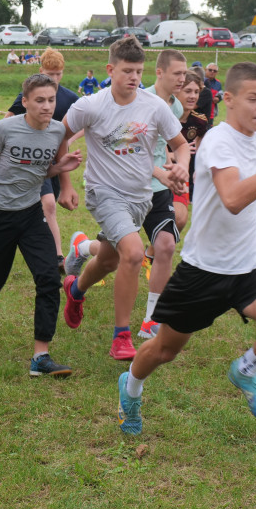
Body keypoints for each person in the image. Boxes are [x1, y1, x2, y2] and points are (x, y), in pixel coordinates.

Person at [116, 62, 256, 435]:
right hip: (203, 270)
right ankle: (130, 389)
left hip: (246, 266)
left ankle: (244, 372)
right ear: (228, 99)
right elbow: (232, 198)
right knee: (164, 350)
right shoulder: (217, 141)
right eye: (253, 99)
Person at [60, 37, 190, 361]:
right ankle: (122, 336)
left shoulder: (154, 106)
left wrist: (181, 168)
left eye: (138, 71)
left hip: (141, 198)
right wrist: (64, 183)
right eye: (127, 71)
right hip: (103, 193)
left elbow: (182, 144)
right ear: (110, 70)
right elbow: (57, 137)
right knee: (132, 254)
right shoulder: (89, 106)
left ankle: (75, 289)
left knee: (109, 260)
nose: (134, 77)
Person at [0, 73, 83, 377]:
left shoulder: (58, 131)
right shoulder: (8, 127)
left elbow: (49, 168)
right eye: (40, 100)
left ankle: (41, 357)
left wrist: (64, 171)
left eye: (51, 100)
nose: (47, 106)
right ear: (25, 102)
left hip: (32, 213)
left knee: (48, 278)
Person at [4, 48, 81, 271]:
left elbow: (85, 124)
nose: (54, 79)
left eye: (58, 74)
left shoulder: (70, 99)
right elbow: (8, 120)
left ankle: (32, 241)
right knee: (47, 205)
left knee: (47, 206)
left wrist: (67, 138)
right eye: (49, 74)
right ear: (40, 71)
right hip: (32, 161)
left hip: (57, 163)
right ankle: (57, 257)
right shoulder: (29, 96)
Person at [137, 49, 187, 339]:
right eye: (177, 73)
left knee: (166, 245)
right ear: (159, 72)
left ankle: (151, 319)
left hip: (158, 192)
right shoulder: (140, 102)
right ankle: (80, 254)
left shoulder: (175, 107)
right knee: (111, 256)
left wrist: (173, 167)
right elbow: (129, 152)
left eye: (184, 73)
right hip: (129, 188)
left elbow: (166, 145)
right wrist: (161, 172)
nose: (182, 79)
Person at [172, 69, 209, 233]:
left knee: (179, 220)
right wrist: (174, 154)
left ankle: (150, 254)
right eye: (188, 91)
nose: (193, 96)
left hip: (179, 176)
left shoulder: (199, 121)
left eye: (196, 91)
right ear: (176, 90)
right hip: (153, 171)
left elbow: (201, 142)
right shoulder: (164, 114)